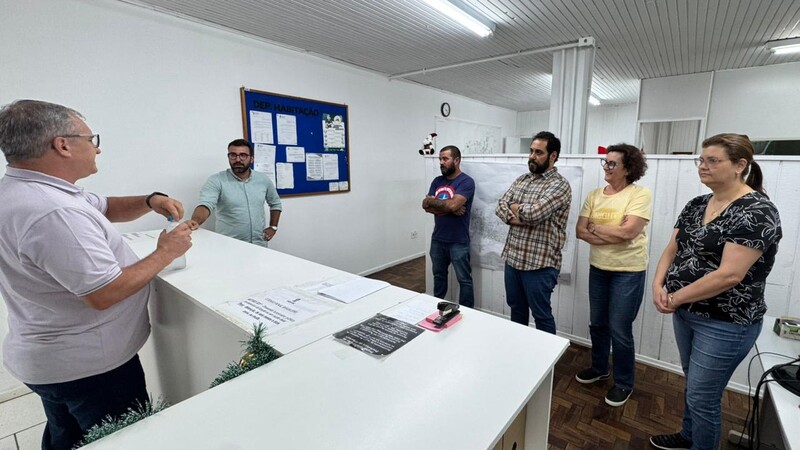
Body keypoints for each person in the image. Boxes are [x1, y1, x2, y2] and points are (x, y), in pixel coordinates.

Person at [0, 100, 192, 450]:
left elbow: (104, 206)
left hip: (54, 361)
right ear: (62, 144)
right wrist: (166, 252)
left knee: (66, 435)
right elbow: (103, 293)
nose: (97, 147)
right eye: (91, 138)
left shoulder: (29, 190)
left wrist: (150, 200)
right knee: (122, 440)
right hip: (91, 370)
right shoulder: (52, 211)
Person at [649, 134, 782, 450]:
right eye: (701, 160)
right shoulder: (697, 204)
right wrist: (657, 285)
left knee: (702, 395)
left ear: (740, 166)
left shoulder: (757, 210)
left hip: (725, 322)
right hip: (685, 313)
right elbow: (672, 249)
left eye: (712, 160)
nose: (703, 166)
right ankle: (688, 435)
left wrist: (676, 296)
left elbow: (730, 275)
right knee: (692, 385)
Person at [574, 144, 652, 407]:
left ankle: (623, 383)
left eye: (612, 164)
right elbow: (580, 231)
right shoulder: (595, 195)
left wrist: (596, 228)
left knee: (619, 330)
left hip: (628, 272)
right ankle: (599, 368)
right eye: (605, 163)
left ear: (628, 168)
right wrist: (610, 231)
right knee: (598, 324)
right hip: (599, 268)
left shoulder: (639, 195)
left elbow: (629, 233)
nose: (606, 168)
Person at [495, 131, 572, 334]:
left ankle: (547, 363)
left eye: (538, 152)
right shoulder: (522, 179)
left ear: (553, 156)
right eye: (531, 151)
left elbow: (534, 214)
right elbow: (500, 206)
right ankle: (521, 354)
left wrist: (515, 209)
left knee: (541, 315)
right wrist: (519, 213)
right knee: (516, 309)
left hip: (540, 264)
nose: (532, 156)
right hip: (513, 259)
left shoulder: (559, 185)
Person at [188, 139, 282, 246]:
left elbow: (275, 203)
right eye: (233, 155)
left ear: (251, 159)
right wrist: (195, 221)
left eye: (243, 155)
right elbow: (205, 205)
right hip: (229, 245)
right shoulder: (216, 180)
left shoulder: (263, 179)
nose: (238, 159)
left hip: (259, 244)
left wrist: (273, 227)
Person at [422, 145, 475, 308]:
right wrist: (447, 206)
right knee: (438, 277)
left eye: (445, 159)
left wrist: (441, 205)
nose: (441, 162)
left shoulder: (466, 181)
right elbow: (425, 205)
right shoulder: (437, 181)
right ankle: (436, 309)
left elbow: (452, 206)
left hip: (458, 241)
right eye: (440, 159)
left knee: (464, 280)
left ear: (456, 160)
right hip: (438, 239)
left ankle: (468, 312)